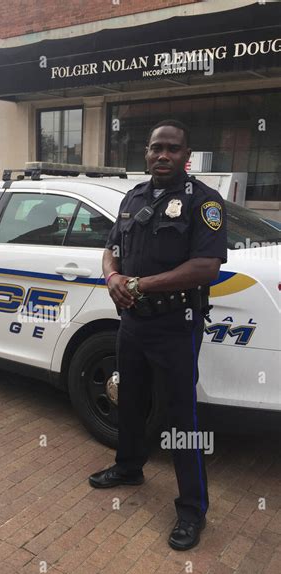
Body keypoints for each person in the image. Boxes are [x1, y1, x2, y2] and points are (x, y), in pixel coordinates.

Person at [89, 119, 227, 550]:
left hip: (175, 325)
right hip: (132, 321)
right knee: (129, 399)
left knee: (181, 416)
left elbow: (207, 267)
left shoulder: (204, 202)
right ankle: (129, 467)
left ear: (187, 156)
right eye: (155, 148)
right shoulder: (133, 198)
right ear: (146, 153)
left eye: (172, 149)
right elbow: (112, 247)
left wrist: (140, 285)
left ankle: (192, 510)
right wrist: (112, 275)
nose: (162, 155)